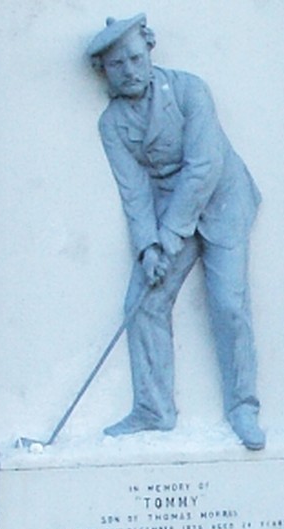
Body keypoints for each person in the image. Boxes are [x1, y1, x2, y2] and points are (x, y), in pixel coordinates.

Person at [87, 13, 265, 450]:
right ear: (105, 72)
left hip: (223, 202)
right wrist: (149, 246)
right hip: (169, 213)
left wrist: (169, 234)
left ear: (148, 49)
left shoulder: (189, 90)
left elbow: (204, 168)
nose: (129, 70)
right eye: (117, 65)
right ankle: (154, 409)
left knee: (229, 304)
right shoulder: (112, 122)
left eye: (133, 58)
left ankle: (244, 407)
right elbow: (134, 192)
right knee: (143, 303)